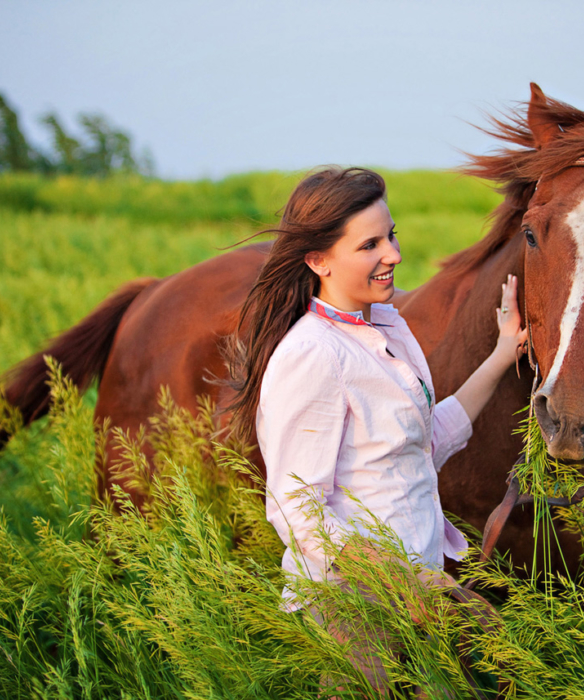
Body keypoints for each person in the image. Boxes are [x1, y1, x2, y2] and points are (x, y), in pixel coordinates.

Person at [230, 166, 525, 695]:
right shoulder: (312, 354)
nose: (393, 255)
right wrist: (406, 579)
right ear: (318, 260)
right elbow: (296, 509)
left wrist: (503, 353)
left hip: (419, 592)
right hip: (358, 611)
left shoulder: (387, 326)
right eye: (370, 244)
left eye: (391, 235)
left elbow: (421, 443)